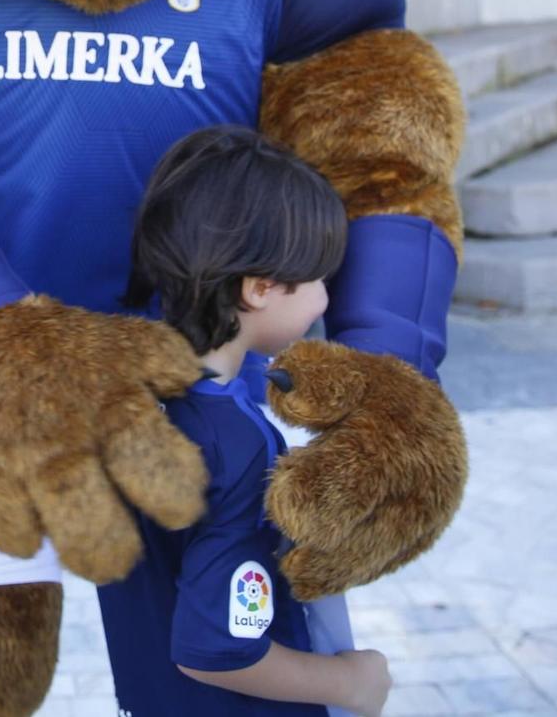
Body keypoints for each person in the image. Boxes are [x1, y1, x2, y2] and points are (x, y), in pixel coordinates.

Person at [97, 125, 395, 717]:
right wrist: (348, 683)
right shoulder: (234, 445)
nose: (324, 300)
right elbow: (217, 650)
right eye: (316, 278)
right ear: (259, 289)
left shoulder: (126, 398)